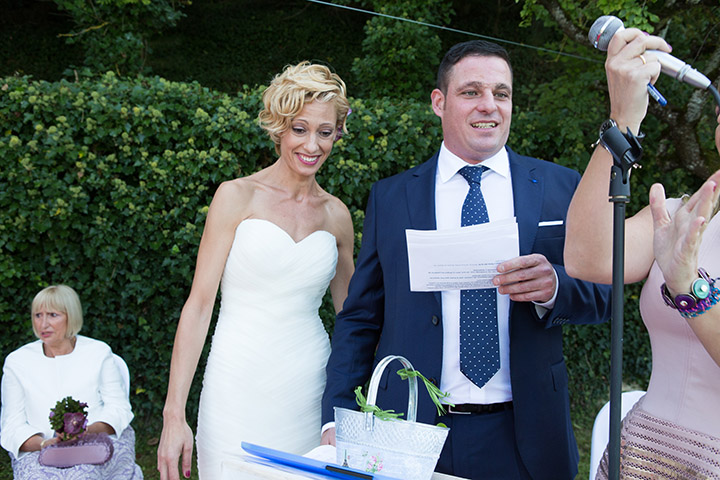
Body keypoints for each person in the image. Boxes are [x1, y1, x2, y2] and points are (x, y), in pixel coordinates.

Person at [320, 39, 612, 480]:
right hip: (411, 431)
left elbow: (604, 295)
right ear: (439, 102)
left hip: (527, 433)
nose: (488, 105)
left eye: (501, 93)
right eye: (471, 92)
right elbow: (360, 317)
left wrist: (555, 287)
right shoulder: (393, 196)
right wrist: (336, 415)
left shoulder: (561, 186)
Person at [156, 61, 355, 480]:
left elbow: (353, 320)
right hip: (235, 386)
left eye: (325, 132)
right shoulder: (236, 197)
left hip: (310, 389)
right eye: (299, 129)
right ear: (279, 128)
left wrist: (351, 407)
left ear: (338, 133)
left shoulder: (337, 216)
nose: (312, 145)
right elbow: (199, 306)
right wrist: (174, 414)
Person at [564, 27, 720, 478]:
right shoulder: (681, 217)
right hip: (640, 457)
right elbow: (585, 256)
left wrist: (687, 287)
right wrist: (622, 121)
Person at [0, 284, 142, 479]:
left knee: (83, 476)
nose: (43, 324)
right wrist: (44, 444)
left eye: (53, 315)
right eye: (38, 315)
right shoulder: (17, 362)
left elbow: (119, 409)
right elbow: (12, 424)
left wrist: (86, 432)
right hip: (39, 450)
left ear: (71, 316)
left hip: (97, 443)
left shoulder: (98, 352)